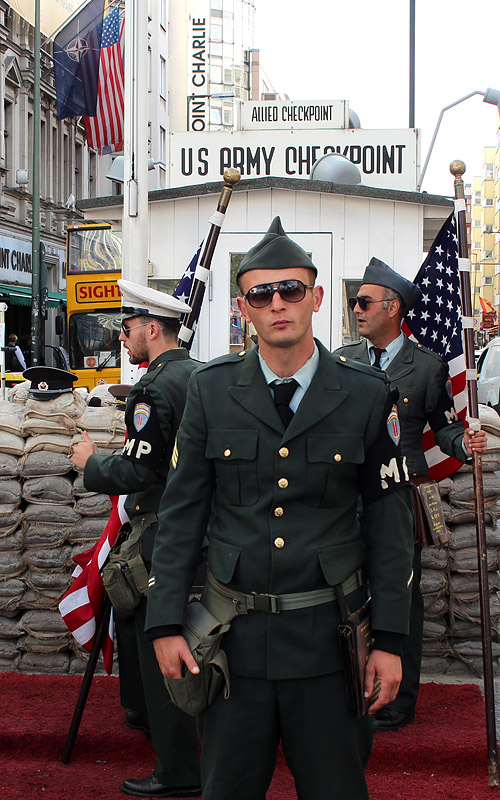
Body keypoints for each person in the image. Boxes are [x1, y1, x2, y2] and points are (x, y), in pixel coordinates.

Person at [145, 217, 415, 800]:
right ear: (244, 306)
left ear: (316, 297)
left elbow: (392, 531)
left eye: (291, 289)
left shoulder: (367, 395)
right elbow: (182, 514)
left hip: (328, 646)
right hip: (232, 645)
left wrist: (391, 642)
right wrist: (164, 622)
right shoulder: (211, 391)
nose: (278, 304)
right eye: (262, 294)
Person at [336, 257, 487, 732]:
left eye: (363, 302)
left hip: (399, 495)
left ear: (392, 307)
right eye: (354, 302)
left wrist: (465, 444)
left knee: (401, 595)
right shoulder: (343, 360)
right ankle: (346, 688)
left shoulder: (426, 367)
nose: (355, 309)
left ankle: (399, 700)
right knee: (344, 591)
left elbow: (443, 431)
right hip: (344, 495)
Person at [72, 279, 201, 799]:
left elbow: (142, 472)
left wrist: (91, 465)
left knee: (159, 649)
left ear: (152, 328)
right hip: (201, 529)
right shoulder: (203, 375)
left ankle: (177, 770)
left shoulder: (153, 387)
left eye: (127, 330)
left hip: (162, 532)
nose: (124, 339)